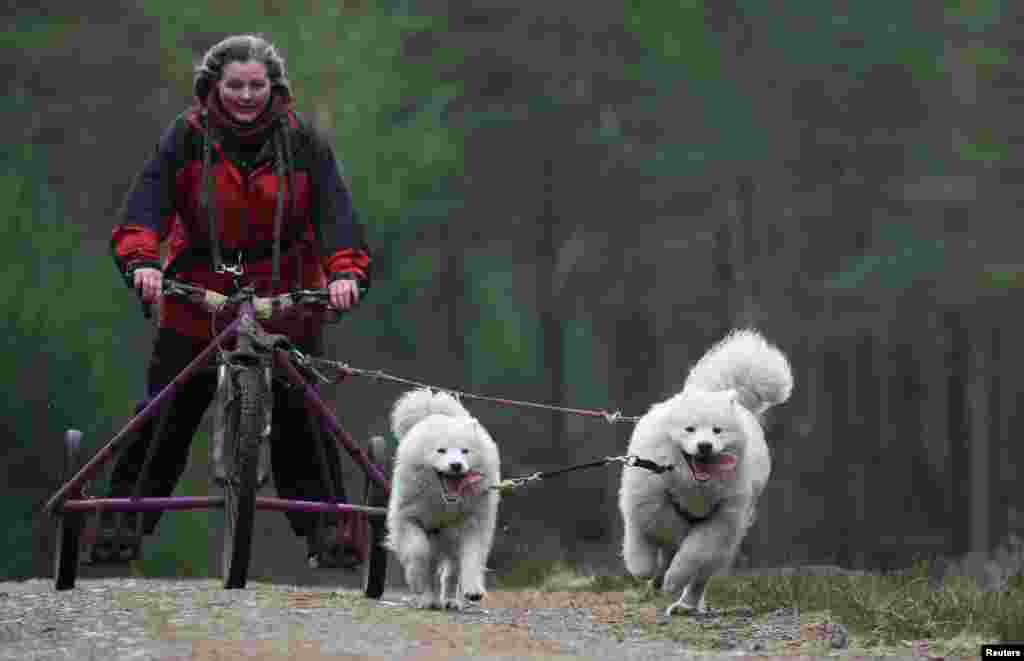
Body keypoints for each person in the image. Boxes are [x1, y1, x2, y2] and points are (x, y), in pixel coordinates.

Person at [101, 34, 372, 569]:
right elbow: (146, 208)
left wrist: (345, 274)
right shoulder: (185, 137)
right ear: (212, 87)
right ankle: (119, 522)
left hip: (286, 295)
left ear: (274, 87)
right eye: (235, 86)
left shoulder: (303, 143)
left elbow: (337, 219)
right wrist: (143, 263)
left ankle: (328, 530)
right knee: (167, 408)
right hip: (198, 292)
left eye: (256, 85)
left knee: (304, 413)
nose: (246, 96)